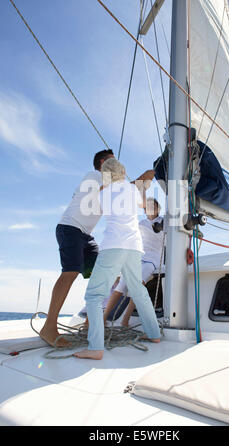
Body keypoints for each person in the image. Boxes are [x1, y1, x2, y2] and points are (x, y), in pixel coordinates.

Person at [39, 150, 154, 347]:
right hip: (70, 228)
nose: (117, 163)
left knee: (109, 275)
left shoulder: (109, 184)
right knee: (70, 272)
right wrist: (150, 173)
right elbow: (128, 189)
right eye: (113, 160)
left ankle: (89, 323)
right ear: (103, 163)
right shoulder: (94, 176)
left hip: (85, 234)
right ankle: (48, 327)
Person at [73, 158, 161, 360]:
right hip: (135, 247)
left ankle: (95, 348)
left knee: (94, 296)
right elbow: (142, 204)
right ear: (123, 172)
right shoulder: (132, 189)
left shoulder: (102, 193)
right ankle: (154, 334)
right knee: (138, 291)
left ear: (105, 176)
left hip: (113, 245)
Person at [103, 197, 164, 327]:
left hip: (152, 260)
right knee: (121, 286)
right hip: (138, 258)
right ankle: (103, 319)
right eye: (147, 207)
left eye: (153, 206)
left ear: (158, 208)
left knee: (137, 285)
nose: (150, 209)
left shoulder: (164, 222)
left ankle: (125, 320)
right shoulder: (140, 224)